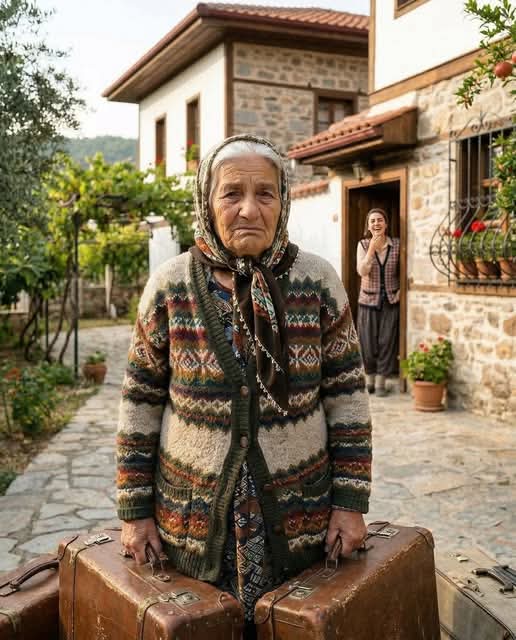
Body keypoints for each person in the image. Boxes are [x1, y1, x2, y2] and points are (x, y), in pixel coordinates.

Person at [117, 134, 372, 638]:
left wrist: (350, 504)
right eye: (232, 193)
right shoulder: (169, 287)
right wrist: (134, 512)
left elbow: (348, 403)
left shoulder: (318, 282)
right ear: (207, 202)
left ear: (283, 201)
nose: (249, 209)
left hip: (300, 522)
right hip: (190, 525)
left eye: (265, 193)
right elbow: (139, 405)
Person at [356, 208, 400, 397]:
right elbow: (362, 271)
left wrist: (402, 290)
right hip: (367, 300)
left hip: (391, 300)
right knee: (367, 343)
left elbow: (405, 269)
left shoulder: (396, 245)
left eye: (380, 220)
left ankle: (381, 382)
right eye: (372, 221)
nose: (376, 223)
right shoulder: (363, 244)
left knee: (387, 341)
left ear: (386, 224)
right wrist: (372, 249)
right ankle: (369, 380)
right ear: (368, 226)